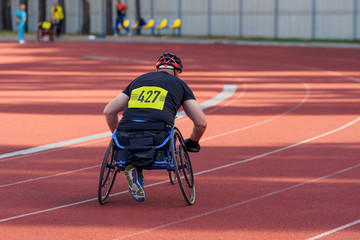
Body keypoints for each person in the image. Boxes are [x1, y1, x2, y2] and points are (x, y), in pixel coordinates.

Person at [103, 53, 207, 202]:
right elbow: (201, 122)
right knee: (159, 139)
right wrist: (193, 142)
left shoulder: (138, 80)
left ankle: (129, 160)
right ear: (177, 72)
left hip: (127, 130)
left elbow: (108, 111)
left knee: (130, 140)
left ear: (157, 69)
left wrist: (117, 137)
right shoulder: (180, 84)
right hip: (158, 131)